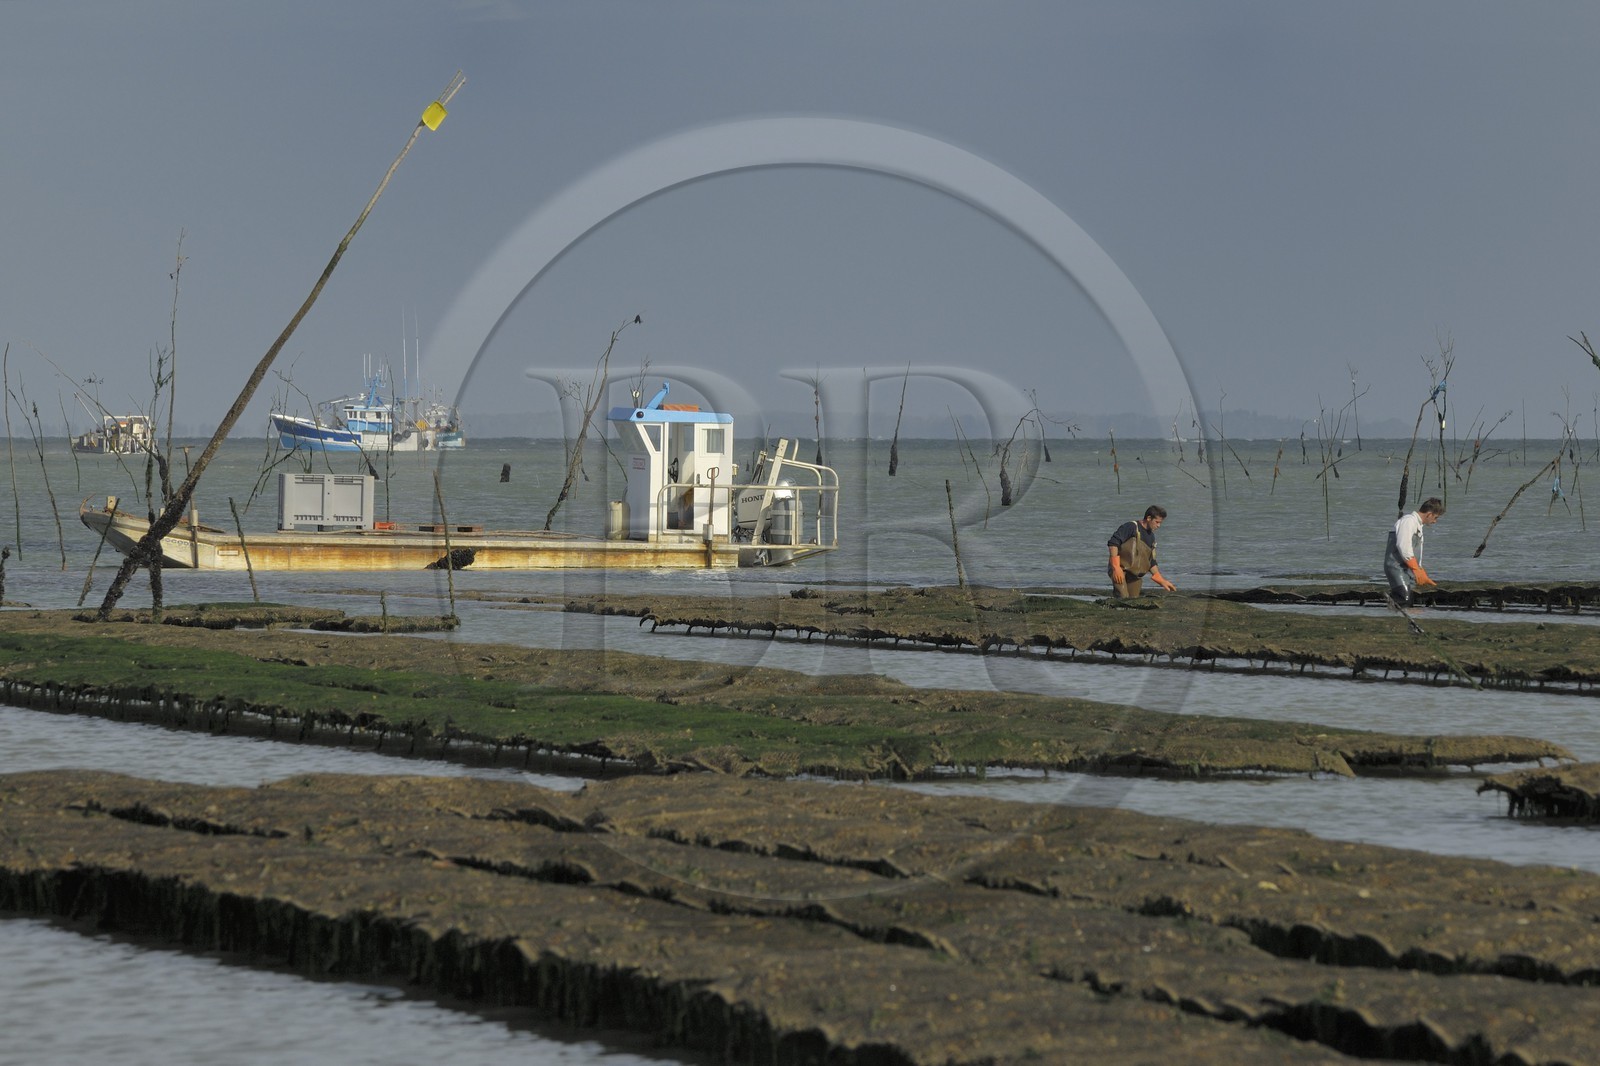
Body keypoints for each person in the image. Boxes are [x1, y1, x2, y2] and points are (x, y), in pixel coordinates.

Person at [1384, 497, 1443, 606]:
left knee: (1409, 600)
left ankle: (1396, 613)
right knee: (1404, 599)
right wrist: (1416, 569)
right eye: (1435, 517)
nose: (1435, 521)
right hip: (1396, 567)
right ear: (1429, 514)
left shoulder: (1418, 525)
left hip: (1408, 569)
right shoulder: (1408, 521)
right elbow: (1403, 546)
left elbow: (1416, 553)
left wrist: (1421, 571)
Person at [1107, 505, 1176, 598]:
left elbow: (1151, 561)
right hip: (1120, 569)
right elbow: (1113, 544)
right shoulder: (1131, 527)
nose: (1159, 526)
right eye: (1157, 522)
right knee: (1123, 597)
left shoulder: (1151, 537)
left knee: (1134, 600)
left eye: (1160, 523)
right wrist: (1116, 568)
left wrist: (1161, 579)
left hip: (1135, 575)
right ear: (1148, 518)